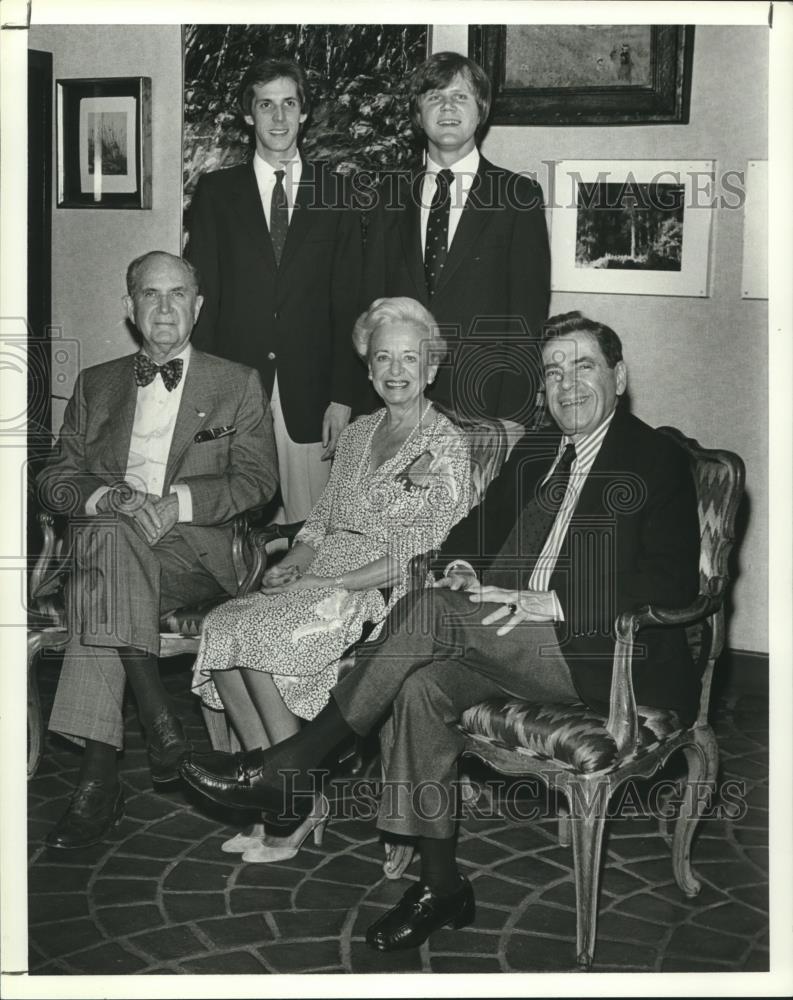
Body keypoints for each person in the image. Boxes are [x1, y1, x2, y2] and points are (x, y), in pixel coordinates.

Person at [180, 310, 702, 950]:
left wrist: (555, 602)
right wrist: (459, 566)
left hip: (605, 653)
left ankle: (297, 763)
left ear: (618, 377)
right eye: (554, 371)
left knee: (425, 611)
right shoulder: (539, 448)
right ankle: (441, 886)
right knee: (422, 684)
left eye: (584, 366)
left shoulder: (657, 459)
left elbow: (673, 583)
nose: (568, 384)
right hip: (512, 634)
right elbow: (474, 533)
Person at [190, 296, 476, 862]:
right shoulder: (359, 434)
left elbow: (422, 547)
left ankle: (294, 795)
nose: (396, 371)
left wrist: (332, 586)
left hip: (382, 588)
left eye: (409, 359)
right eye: (383, 358)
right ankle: (274, 794)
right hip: (322, 573)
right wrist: (295, 560)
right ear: (368, 368)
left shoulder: (446, 445)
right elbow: (322, 519)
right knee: (223, 625)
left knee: (261, 637)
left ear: (431, 368)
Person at [38, 251, 278, 850]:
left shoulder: (237, 382)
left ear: (198, 307)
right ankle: (156, 722)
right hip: (113, 544)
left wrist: (179, 502)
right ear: (129, 308)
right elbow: (54, 478)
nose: (165, 307)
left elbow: (257, 482)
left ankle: (103, 776)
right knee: (109, 541)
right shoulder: (97, 382)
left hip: (191, 553)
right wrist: (112, 497)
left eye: (178, 295)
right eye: (150, 294)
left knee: (101, 570)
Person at [186, 57, 365, 523]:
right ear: (250, 115)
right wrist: (208, 398)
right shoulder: (216, 192)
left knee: (313, 534)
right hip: (237, 393)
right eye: (266, 105)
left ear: (304, 113)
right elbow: (204, 302)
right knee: (237, 528)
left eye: (289, 104)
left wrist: (343, 396)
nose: (279, 118)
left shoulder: (337, 192)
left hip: (312, 397)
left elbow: (349, 302)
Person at [363, 51, 550, 426]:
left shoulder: (518, 195)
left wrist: (511, 418)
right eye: (434, 96)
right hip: (399, 401)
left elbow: (526, 317)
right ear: (418, 114)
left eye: (460, 96)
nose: (447, 107)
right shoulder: (388, 195)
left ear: (480, 111)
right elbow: (372, 305)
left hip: (483, 403)